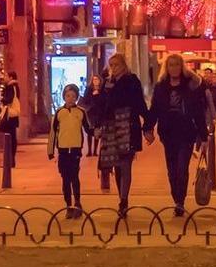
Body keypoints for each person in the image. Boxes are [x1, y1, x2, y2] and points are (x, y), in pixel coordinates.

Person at [145, 55, 210, 217]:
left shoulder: (190, 86)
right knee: (172, 171)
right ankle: (176, 198)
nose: (174, 68)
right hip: (168, 134)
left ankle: (180, 201)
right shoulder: (161, 87)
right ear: (167, 67)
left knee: (182, 169)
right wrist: (148, 128)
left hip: (186, 133)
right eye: (171, 65)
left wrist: (204, 136)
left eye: (177, 65)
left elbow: (198, 112)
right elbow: (155, 109)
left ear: (182, 67)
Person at [97, 53, 150, 218]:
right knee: (116, 166)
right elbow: (102, 106)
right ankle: (122, 197)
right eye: (111, 65)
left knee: (125, 164)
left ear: (123, 65)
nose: (114, 68)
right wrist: (98, 125)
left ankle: (124, 201)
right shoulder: (108, 83)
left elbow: (139, 103)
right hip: (112, 127)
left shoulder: (132, 80)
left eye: (116, 64)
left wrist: (148, 126)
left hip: (128, 126)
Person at [49, 84, 93, 218]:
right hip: (62, 151)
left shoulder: (80, 112)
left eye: (73, 96)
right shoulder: (59, 113)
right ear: (64, 97)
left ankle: (78, 203)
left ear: (77, 97)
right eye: (68, 96)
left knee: (75, 177)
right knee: (65, 179)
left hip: (75, 151)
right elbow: (53, 133)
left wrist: (96, 132)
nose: (71, 98)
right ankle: (68, 205)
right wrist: (50, 151)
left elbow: (87, 128)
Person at [0, 70, 21, 167]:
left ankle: (9, 161)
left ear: (11, 77)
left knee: (9, 138)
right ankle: (11, 161)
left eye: (6, 76)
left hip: (10, 116)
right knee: (12, 137)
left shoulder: (10, 87)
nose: (4, 77)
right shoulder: (16, 86)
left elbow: (9, 100)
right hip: (13, 116)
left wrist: (2, 99)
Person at [80, 74, 105, 157]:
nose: (95, 81)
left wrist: (98, 94)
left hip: (99, 113)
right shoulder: (89, 89)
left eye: (97, 79)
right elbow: (86, 99)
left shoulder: (102, 89)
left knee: (97, 131)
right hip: (90, 113)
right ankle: (89, 151)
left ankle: (95, 151)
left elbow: (104, 100)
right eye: (94, 79)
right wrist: (93, 95)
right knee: (90, 131)